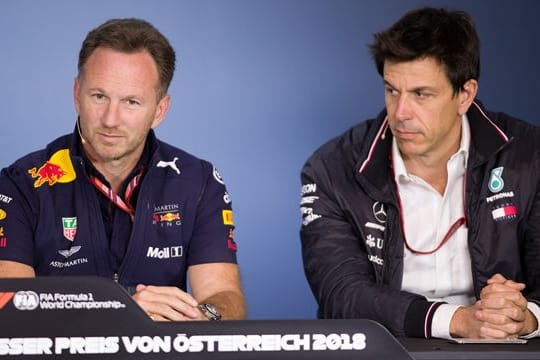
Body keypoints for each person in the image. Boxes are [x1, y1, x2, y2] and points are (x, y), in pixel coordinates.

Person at [300, 7, 540, 339]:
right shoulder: (331, 168)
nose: (400, 113)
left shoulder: (530, 156)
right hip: (384, 351)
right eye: (391, 90)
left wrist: (524, 317)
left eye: (421, 94)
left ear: (465, 95)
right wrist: (458, 321)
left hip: (503, 349)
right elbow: (341, 293)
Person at [0, 18, 246, 322]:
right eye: (99, 96)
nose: (111, 119)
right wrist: (121, 310)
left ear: (159, 110)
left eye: (131, 101)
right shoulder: (20, 183)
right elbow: (9, 307)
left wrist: (204, 316)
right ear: (77, 93)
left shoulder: (199, 183)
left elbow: (226, 299)